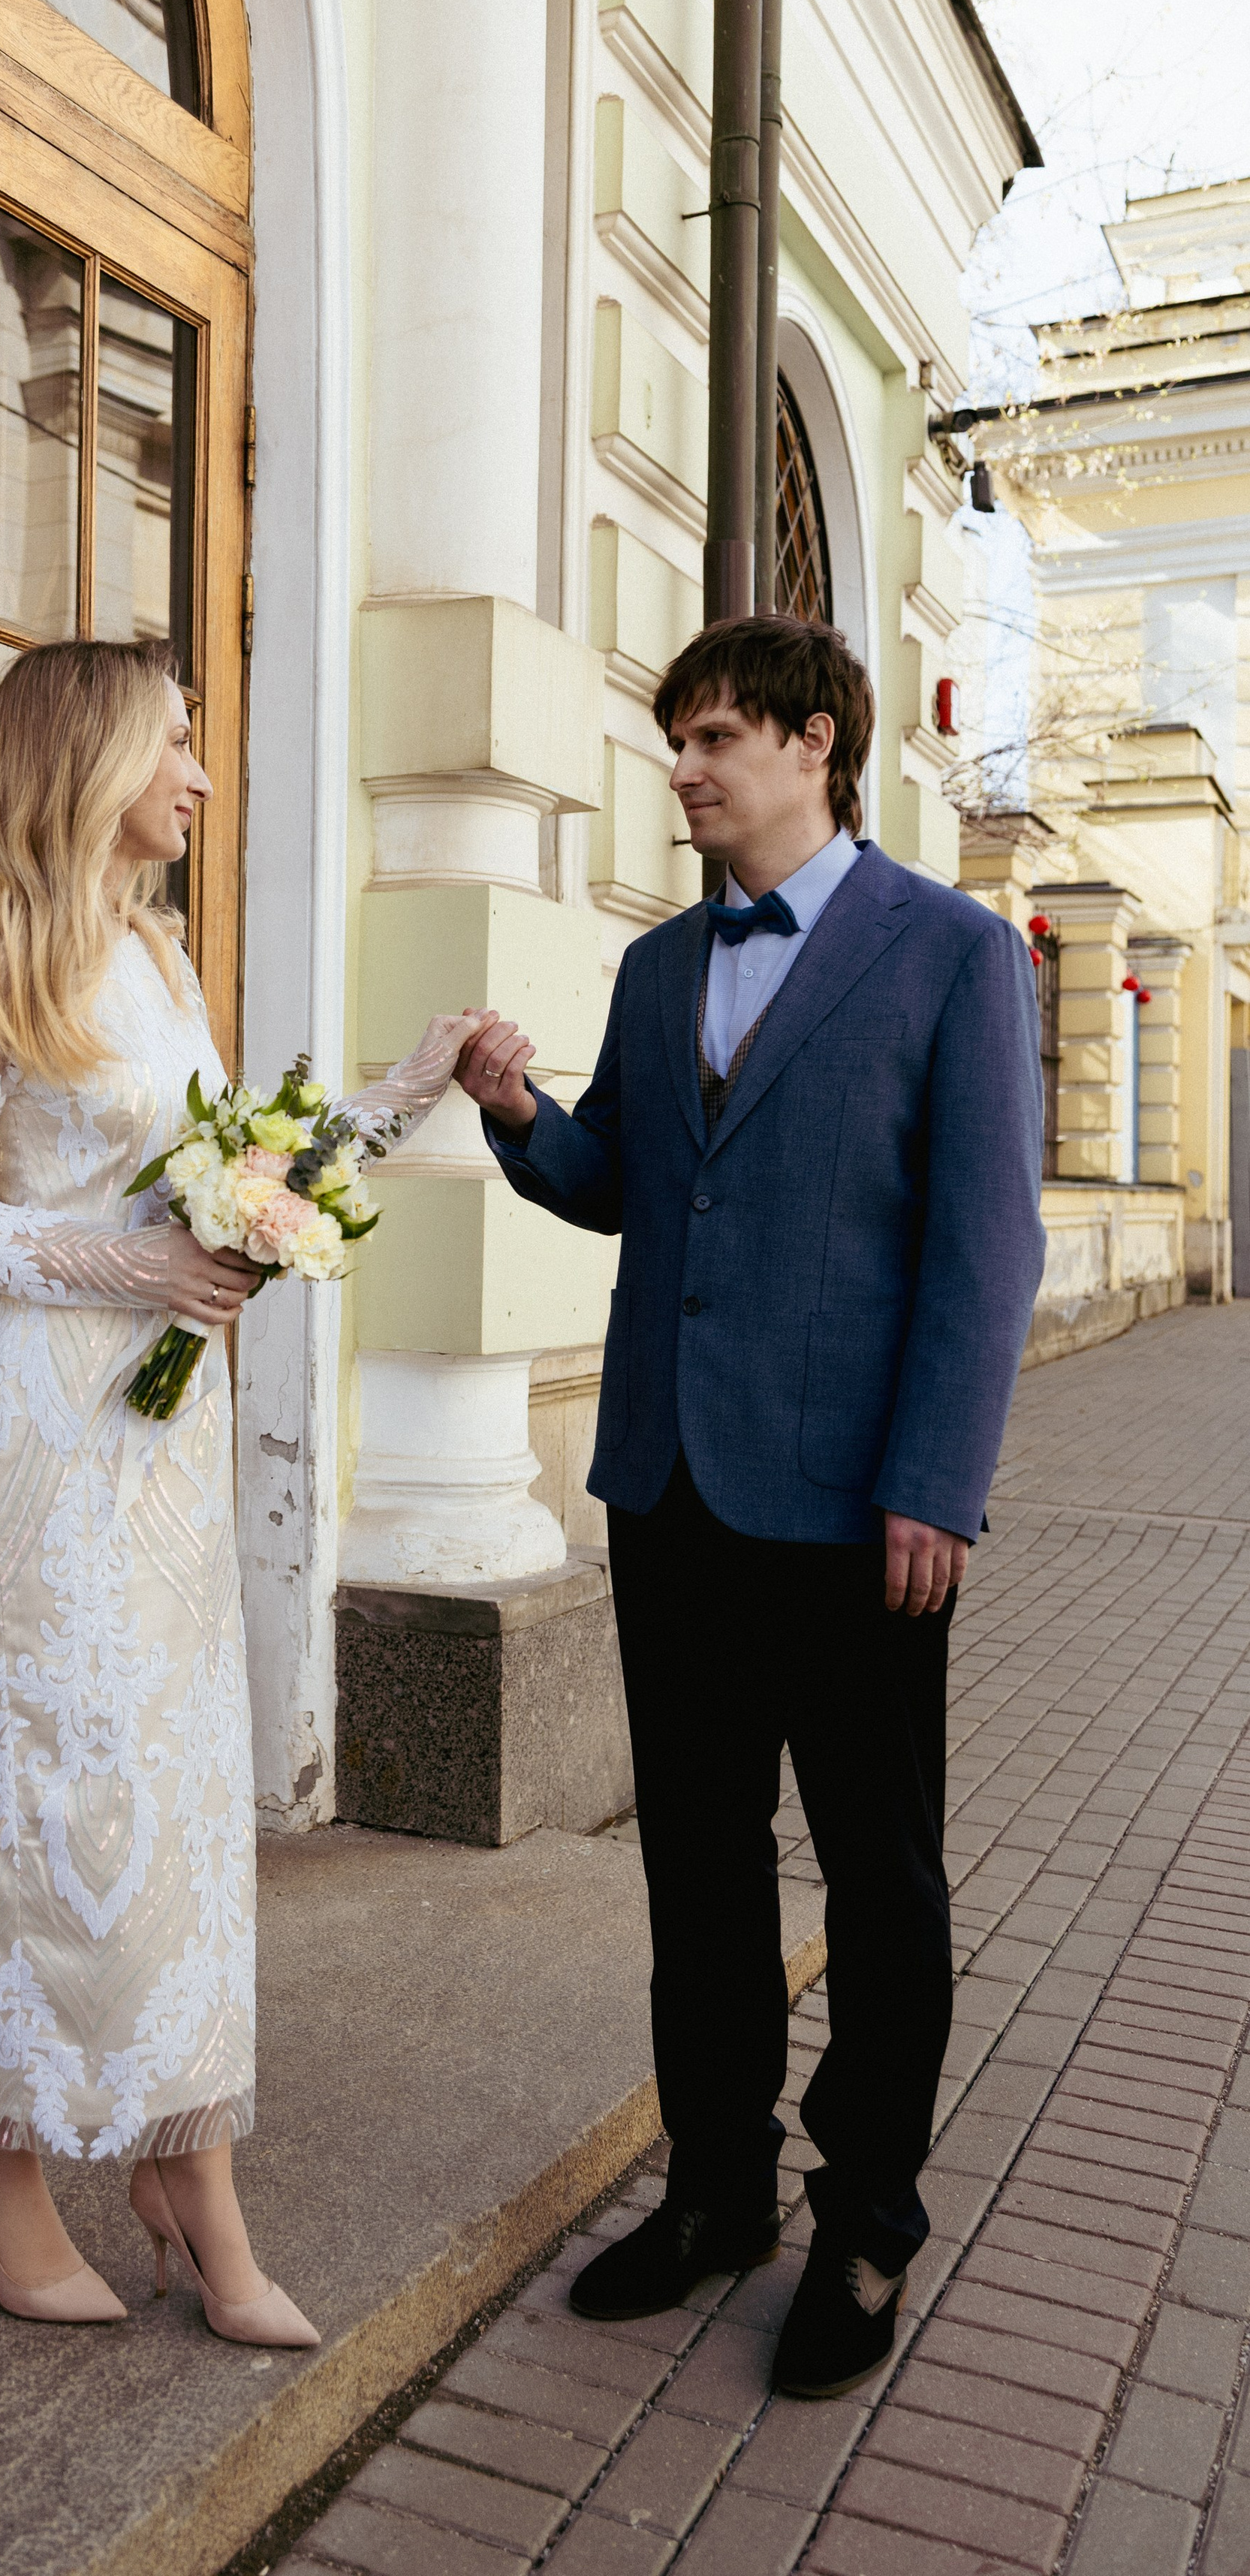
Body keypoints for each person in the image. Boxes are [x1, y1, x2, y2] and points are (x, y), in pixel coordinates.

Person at [454, 612, 1045, 2398]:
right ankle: (716, 2192)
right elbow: (625, 1187)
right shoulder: (654, 968)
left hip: (862, 1510)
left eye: (712, 738)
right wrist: (512, 1114)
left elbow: (983, 1244)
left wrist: (935, 1480)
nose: (684, 771)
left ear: (811, 744)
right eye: (676, 742)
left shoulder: (947, 953)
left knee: (877, 1881)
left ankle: (863, 2216)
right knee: (699, 1871)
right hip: (670, 1494)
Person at [0, 638, 469, 2337]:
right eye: (177, 746)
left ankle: (181, 2167)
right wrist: (122, 1269)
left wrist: (399, 1089)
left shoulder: (162, 955)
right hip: (43, 1437)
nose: (202, 777)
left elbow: (230, 1169)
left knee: (178, 1802)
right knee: (49, 1787)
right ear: (91, 764)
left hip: (163, 1448)